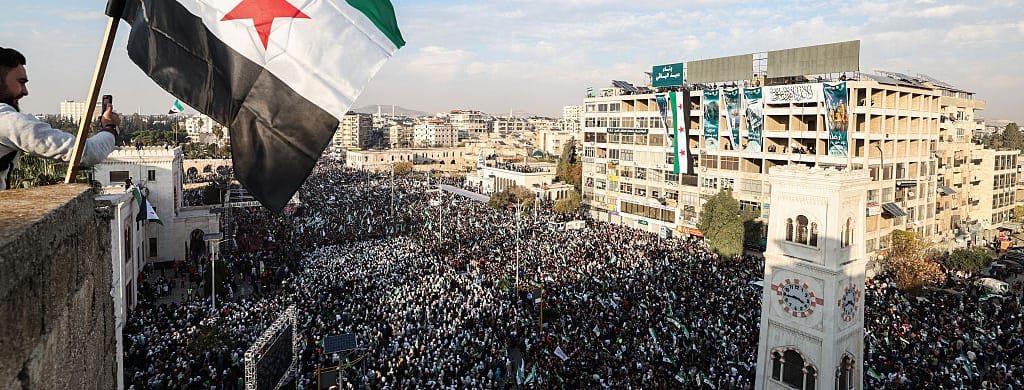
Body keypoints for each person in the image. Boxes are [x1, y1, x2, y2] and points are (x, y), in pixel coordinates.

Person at [0, 47, 119, 190]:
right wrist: (110, 128)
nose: (25, 91)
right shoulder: (6, 121)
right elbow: (84, 153)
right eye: (21, 82)